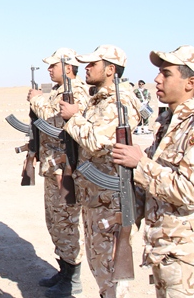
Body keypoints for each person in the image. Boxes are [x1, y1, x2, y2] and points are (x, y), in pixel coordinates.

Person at [112, 45, 194, 297]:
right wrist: (127, 222)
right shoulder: (169, 123)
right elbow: (150, 184)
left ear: (190, 83)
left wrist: (140, 163)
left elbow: (191, 191)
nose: (157, 79)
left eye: (166, 73)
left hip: (184, 254)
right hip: (162, 248)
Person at [58, 44, 142, 298]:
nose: (87, 68)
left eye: (93, 64)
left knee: (112, 272)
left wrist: (73, 117)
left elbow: (96, 141)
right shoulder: (99, 100)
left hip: (110, 200)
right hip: (95, 197)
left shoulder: (120, 101)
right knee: (100, 267)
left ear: (110, 69)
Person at [27, 48, 90, 297]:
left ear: (68, 67)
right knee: (54, 221)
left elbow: (55, 120)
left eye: (53, 65)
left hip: (67, 169)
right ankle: (64, 271)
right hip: (53, 167)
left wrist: (36, 99)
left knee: (66, 223)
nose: (49, 69)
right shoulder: (56, 91)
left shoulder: (78, 91)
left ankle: (73, 280)